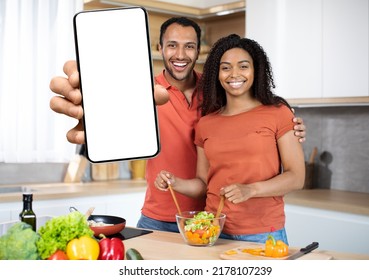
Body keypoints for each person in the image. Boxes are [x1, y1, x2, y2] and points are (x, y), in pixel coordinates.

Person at [49, 17, 307, 233]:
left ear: (198, 52)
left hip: (211, 219)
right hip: (158, 217)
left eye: (189, 46)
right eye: (172, 45)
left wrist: (286, 122)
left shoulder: (218, 91)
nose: (180, 54)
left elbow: (255, 116)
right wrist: (94, 113)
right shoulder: (140, 92)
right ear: (160, 48)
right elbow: (111, 117)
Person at [155, 34, 305, 244]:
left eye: (243, 66)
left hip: (262, 233)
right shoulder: (206, 124)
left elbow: (297, 177)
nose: (234, 74)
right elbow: (203, 184)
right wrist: (174, 182)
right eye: (225, 68)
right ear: (217, 73)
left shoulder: (278, 112)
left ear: (256, 70)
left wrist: (251, 189)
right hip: (213, 230)